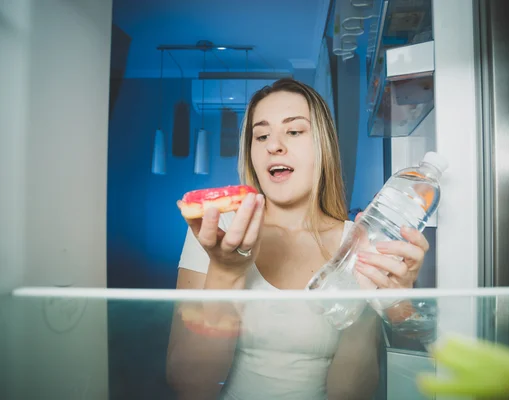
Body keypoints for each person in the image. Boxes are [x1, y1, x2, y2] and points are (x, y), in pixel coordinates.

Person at [166, 78, 430, 400]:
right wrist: (226, 271)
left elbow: (349, 394)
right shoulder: (217, 232)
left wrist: (367, 303)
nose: (273, 145)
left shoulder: (359, 242)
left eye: (293, 131)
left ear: (323, 147)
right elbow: (189, 385)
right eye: (261, 135)